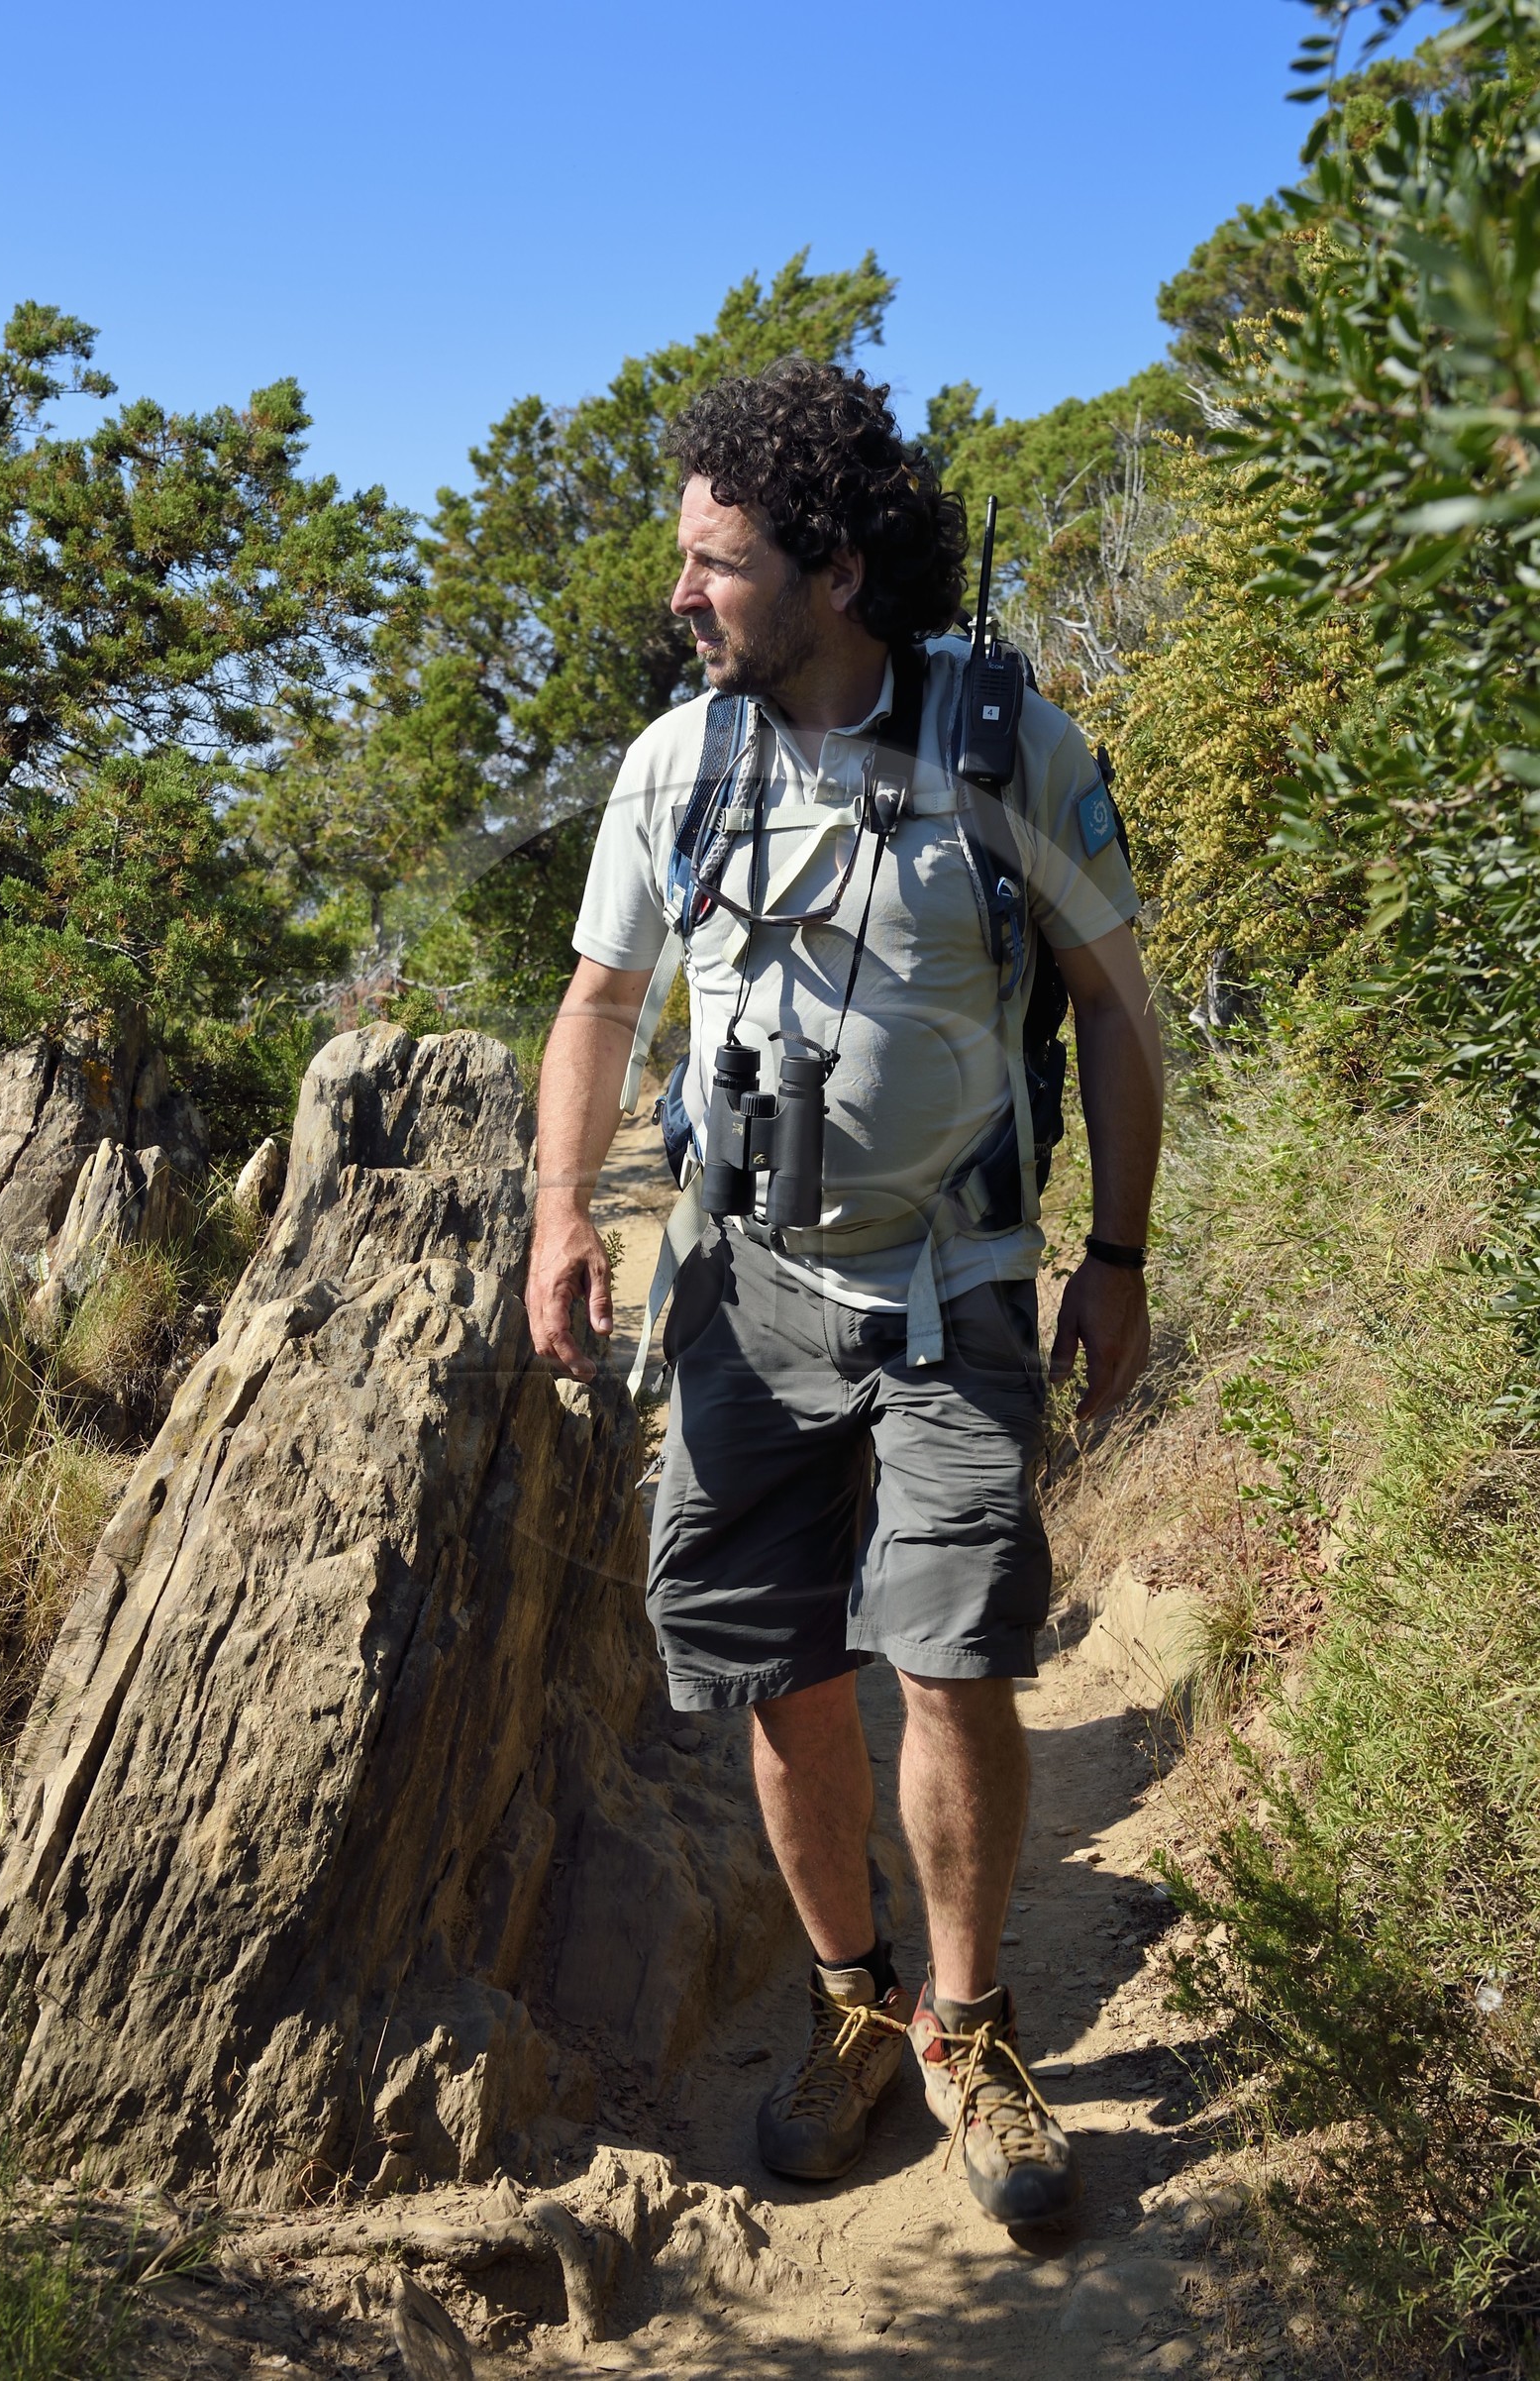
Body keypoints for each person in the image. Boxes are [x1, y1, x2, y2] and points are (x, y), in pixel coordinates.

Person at [526, 359, 1163, 2227]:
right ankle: (852, 2004)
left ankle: (971, 2032)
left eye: (714, 560)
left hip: (957, 1272)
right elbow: (597, 1002)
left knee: (952, 1658)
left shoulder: (1008, 749)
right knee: (778, 1667)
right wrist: (569, 1210)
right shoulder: (677, 763)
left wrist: (1114, 1257)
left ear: (837, 565)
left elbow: (1120, 1018)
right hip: (740, 1283)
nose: (681, 592)